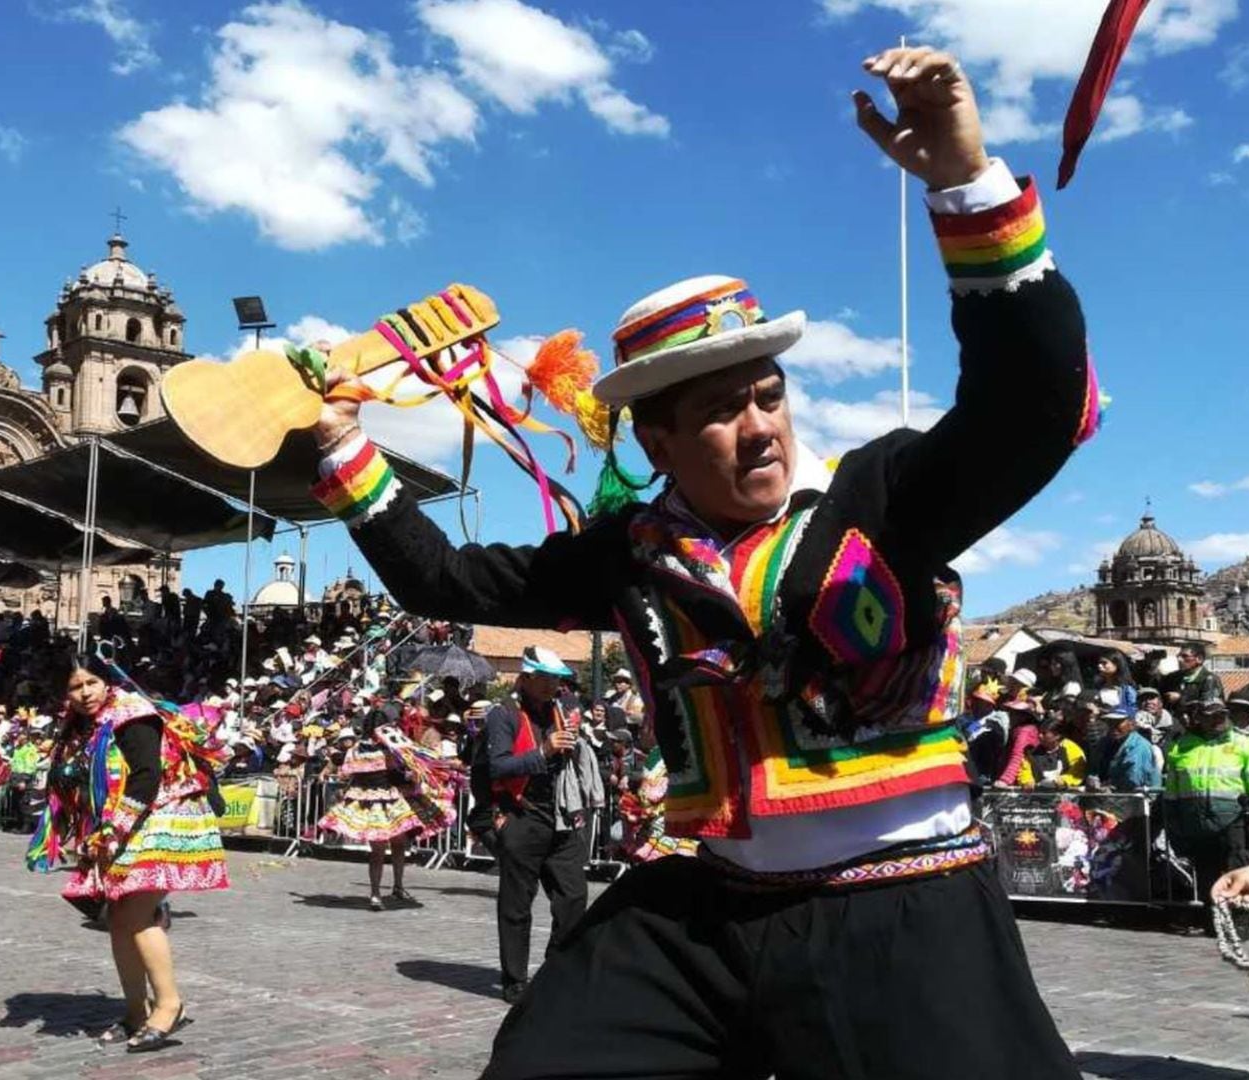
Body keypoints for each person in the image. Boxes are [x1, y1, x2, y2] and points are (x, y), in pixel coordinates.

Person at [309, 45, 1087, 1077]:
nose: (760, 427)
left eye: (768, 395)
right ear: (659, 445)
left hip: (907, 905)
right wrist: (339, 450)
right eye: (722, 411)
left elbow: (1031, 403)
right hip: (710, 908)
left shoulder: (887, 499)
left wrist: (961, 179)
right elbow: (446, 584)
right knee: (548, 1058)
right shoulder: (629, 552)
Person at [26, 657, 229, 1053]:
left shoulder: (132, 714)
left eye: (91, 683)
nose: (84, 692)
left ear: (108, 682)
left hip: (161, 817)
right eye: (74, 686)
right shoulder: (79, 726)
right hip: (122, 825)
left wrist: (112, 828)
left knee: (136, 914)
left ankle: (169, 1003)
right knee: (118, 918)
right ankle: (136, 1010)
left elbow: (146, 776)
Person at [477, 648, 599, 1004]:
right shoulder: (504, 715)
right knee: (517, 903)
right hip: (522, 814)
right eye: (545, 678)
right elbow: (498, 767)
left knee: (574, 897)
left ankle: (554, 967)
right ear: (526, 677)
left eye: (556, 679)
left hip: (561, 815)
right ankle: (514, 979)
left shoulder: (560, 710)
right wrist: (543, 752)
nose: (552, 685)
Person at [316, 722, 462, 910]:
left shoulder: (362, 752)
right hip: (383, 803)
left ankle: (386, 890)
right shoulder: (391, 753)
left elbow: (340, 761)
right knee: (388, 847)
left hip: (377, 802)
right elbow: (401, 774)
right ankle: (384, 890)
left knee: (387, 848)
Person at [1164, 700, 1249, 901]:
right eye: (1211, 716)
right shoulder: (1181, 745)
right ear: (1200, 718)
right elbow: (1172, 786)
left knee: (1238, 867)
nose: (1218, 720)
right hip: (1195, 819)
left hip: (1233, 818)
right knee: (1205, 871)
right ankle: (1213, 917)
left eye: (1221, 715)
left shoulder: (1246, 743)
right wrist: (1172, 814)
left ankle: (1239, 916)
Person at [1093, 708, 1159, 793]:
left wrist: (1109, 786)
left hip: (1137, 797)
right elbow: (1096, 769)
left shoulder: (1139, 746)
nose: (1113, 727)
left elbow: (1133, 780)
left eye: (1118, 723)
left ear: (1131, 724)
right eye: (1110, 722)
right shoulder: (1106, 742)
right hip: (1112, 794)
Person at [1018, 719, 1086, 788]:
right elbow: (1025, 770)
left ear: (1057, 735)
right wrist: (1027, 781)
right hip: (1039, 793)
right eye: (1039, 732)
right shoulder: (1033, 753)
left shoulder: (1072, 749)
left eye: (1044, 733)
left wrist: (1064, 781)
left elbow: (1077, 771)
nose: (1040, 736)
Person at [1164, 643, 1223, 717]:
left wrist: (1180, 699)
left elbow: (1208, 706)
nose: (1179, 660)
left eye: (1185, 656)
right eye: (1178, 656)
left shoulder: (1209, 679)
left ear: (1199, 659)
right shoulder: (1172, 678)